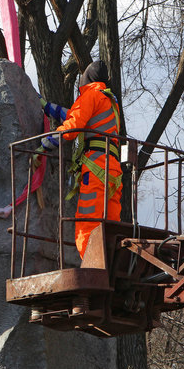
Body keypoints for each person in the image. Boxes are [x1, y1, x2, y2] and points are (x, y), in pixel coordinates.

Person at [53, 60, 123, 258]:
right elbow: (76, 116)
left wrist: (46, 143)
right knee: (110, 226)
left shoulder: (90, 94)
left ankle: (91, 267)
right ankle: (110, 265)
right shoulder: (109, 101)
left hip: (95, 170)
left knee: (88, 223)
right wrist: (46, 105)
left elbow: (72, 127)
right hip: (113, 171)